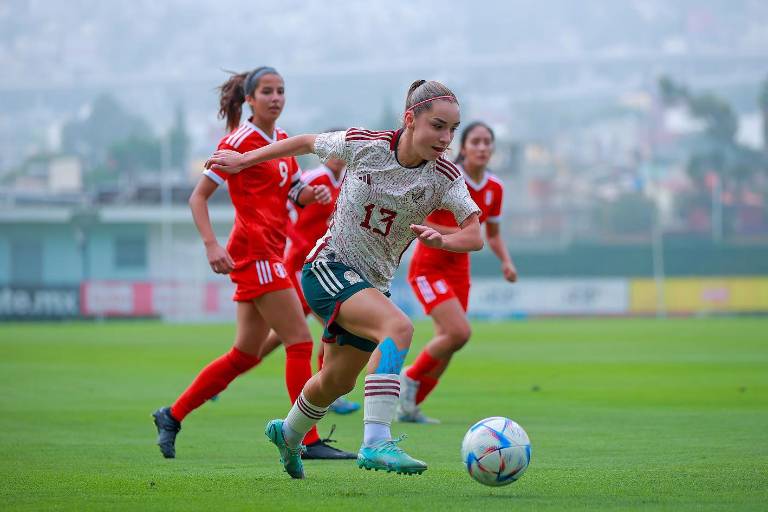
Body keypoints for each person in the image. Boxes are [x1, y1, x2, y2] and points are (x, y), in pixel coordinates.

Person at [205, 79, 483, 479]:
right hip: (328, 267)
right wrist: (243, 161)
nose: (446, 138)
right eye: (438, 126)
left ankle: (286, 434)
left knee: (335, 382)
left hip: (370, 286)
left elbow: (474, 232)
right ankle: (375, 442)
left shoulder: (444, 177)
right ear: (410, 119)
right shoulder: (365, 144)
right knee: (399, 326)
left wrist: (448, 239)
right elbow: (302, 142)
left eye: (452, 130)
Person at [152, 66, 355, 461]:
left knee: (244, 353)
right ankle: (306, 440)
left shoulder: (279, 140)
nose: (276, 97)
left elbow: (292, 190)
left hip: (270, 252)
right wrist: (212, 245)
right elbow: (198, 197)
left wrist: (308, 194)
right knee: (299, 341)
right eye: (267, 91)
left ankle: (171, 415)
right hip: (256, 254)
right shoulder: (238, 141)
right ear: (249, 99)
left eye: (281, 90)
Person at [401, 121, 518, 423]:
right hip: (428, 267)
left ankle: (410, 407)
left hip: (459, 269)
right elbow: (420, 218)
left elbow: (491, 234)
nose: (482, 147)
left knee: (451, 342)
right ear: (463, 147)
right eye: (475, 141)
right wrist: (455, 234)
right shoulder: (446, 177)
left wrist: (505, 261)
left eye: (487, 142)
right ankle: (407, 378)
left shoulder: (495, 188)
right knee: (458, 332)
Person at [259, 147, 362, 416]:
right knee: (335, 322)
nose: (342, 156)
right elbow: (286, 210)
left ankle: (233, 368)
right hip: (300, 264)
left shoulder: (346, 182)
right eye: (338, 151)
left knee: (280, 336)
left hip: (322, 266)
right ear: (325, 154)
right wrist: (300, 241)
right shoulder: (315, 178)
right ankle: (328, 390)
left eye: (346, 152)